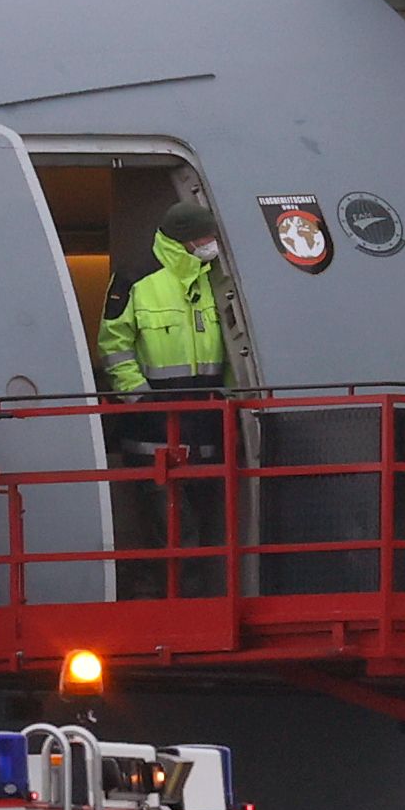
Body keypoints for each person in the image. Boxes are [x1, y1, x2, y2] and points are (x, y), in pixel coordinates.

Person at [96, 200, 231, 596]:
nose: (212, 244)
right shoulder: (136, 279)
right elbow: (114, 348)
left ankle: (199, 609)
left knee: (206, 532)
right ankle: (180, 612)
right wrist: (141, 402)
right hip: (155, 436)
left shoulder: (216, 281)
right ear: (185, 240)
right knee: (174, 533)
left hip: (207, 433)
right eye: (205, 238)